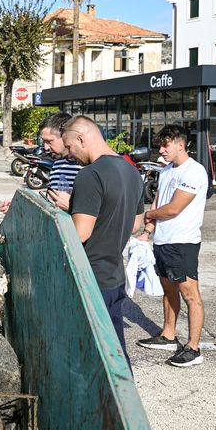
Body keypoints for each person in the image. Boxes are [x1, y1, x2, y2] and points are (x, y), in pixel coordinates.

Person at [62, 115, 144, 365]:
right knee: (115, 351)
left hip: (91, 278)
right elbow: (135, 225)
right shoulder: (131, 171)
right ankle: (123, 398)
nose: (68, 153)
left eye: (69, 146)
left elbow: (81, 234)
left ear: (81, 138)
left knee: (90, 355)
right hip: (114, 276)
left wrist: (68, 211)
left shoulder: (90, 175)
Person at [137, 124, 208, 368]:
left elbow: (174, 207)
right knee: (168, 289)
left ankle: (194, 348)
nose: (161, 150)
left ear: (181, 144)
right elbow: (159, 200)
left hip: (182, 242)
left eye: (165, 145)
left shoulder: (194, 172)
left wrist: (150, 214)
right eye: (160, 146)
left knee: (191, 295)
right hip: (163, 240)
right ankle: (168, 335)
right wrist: (148, 231)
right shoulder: (166, 171)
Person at [0, 112, 82, 214]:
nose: (46, 148)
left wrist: (71, 207)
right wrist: (18, 208)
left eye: (50, 141)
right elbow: (50, 207)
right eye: (44, 142)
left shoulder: (89, 168)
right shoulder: (57, 165)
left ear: (65, 136)